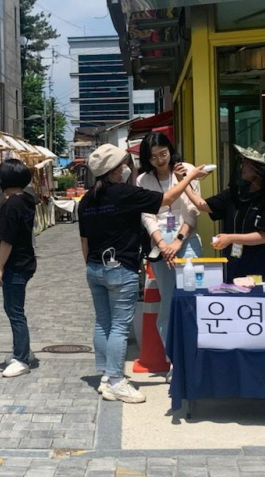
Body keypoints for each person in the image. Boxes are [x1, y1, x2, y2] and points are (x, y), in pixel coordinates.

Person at [78, 143, 203, 404]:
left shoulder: (87, 199)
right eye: (122, 164)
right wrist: (190, 176)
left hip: (94, 267)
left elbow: (85, 240)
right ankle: (116, 381)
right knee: (119, 326)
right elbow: (166, 200)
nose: (126, 167)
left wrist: (91, 265)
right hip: (120, 266)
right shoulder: (124, 193)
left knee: (103, 322)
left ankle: (106, 375)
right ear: (113, 169)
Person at [136, 132, 202, 379]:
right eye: (153, 157)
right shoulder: (143, 179)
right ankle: (174, 360)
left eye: (163, 153)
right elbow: (146, 215)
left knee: (193, 299)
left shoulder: (187, 171)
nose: (160, 160)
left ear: (170, 149)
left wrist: (178, 241)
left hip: (186, 238)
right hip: (160, 242)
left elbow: (193, 210)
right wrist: (163, 243)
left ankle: (195, 357)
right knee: (168, 302)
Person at [184, 141, 265, 281]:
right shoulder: (236, 193)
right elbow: (203, 205)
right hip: (236, 266)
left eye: (246, 163)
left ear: (259, 169)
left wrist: (230, 238)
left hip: (263, 268)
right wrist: (185, 180)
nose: (241, 166)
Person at [0, 159, 36, 378]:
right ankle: (22, 350)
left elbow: (7, 240)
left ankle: (21, 358)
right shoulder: (27, 200)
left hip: (15, 264)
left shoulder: (11, 205)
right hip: (26, 261)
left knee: (14, 311)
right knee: (14, 309)